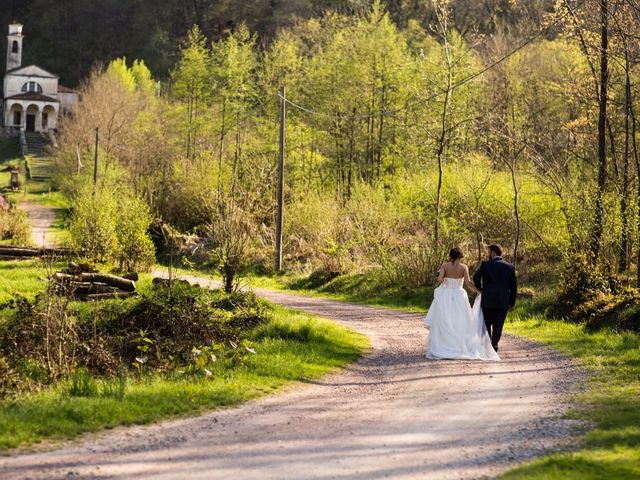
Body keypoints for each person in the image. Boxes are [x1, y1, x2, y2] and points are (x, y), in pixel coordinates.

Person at [424, 247, 499, 361]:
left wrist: (443, 279)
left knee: (446, 320)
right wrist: (479, 291)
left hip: (446, 295)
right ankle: (459, 346)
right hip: (459, 295)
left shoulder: (445, 265)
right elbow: (468, 283)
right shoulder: (464, 267)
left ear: (450, 256)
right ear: (460, 256)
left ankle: (444, 345)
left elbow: (439, 279)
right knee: (460, 320)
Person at [472, 244, 517, 352]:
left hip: (488, 300)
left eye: (489, 252)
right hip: (503, 301)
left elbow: (475, 277)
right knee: (498, 325)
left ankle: (487, 347)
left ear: (493, 252)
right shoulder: (509, 267)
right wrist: (511, 302)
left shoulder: (486, 265)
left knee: (487, 323)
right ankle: (494, 345)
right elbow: (514, 287)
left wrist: (482, 289)